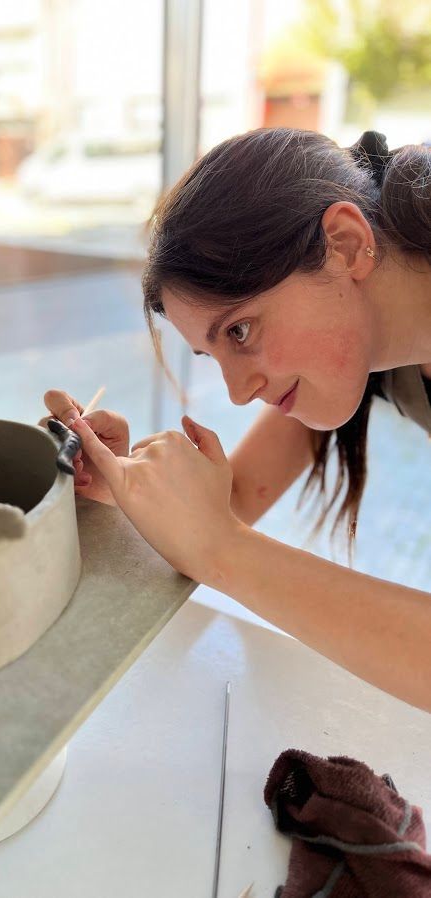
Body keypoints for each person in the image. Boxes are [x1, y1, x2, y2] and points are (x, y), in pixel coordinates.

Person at [42, 128, 431, 712]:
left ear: (346, 246)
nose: (239, 391)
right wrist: (122, 489)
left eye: (241, 331)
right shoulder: (355, 332)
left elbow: (219, 532)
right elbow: (237, 497)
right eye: (213, 355)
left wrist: (222, 549)